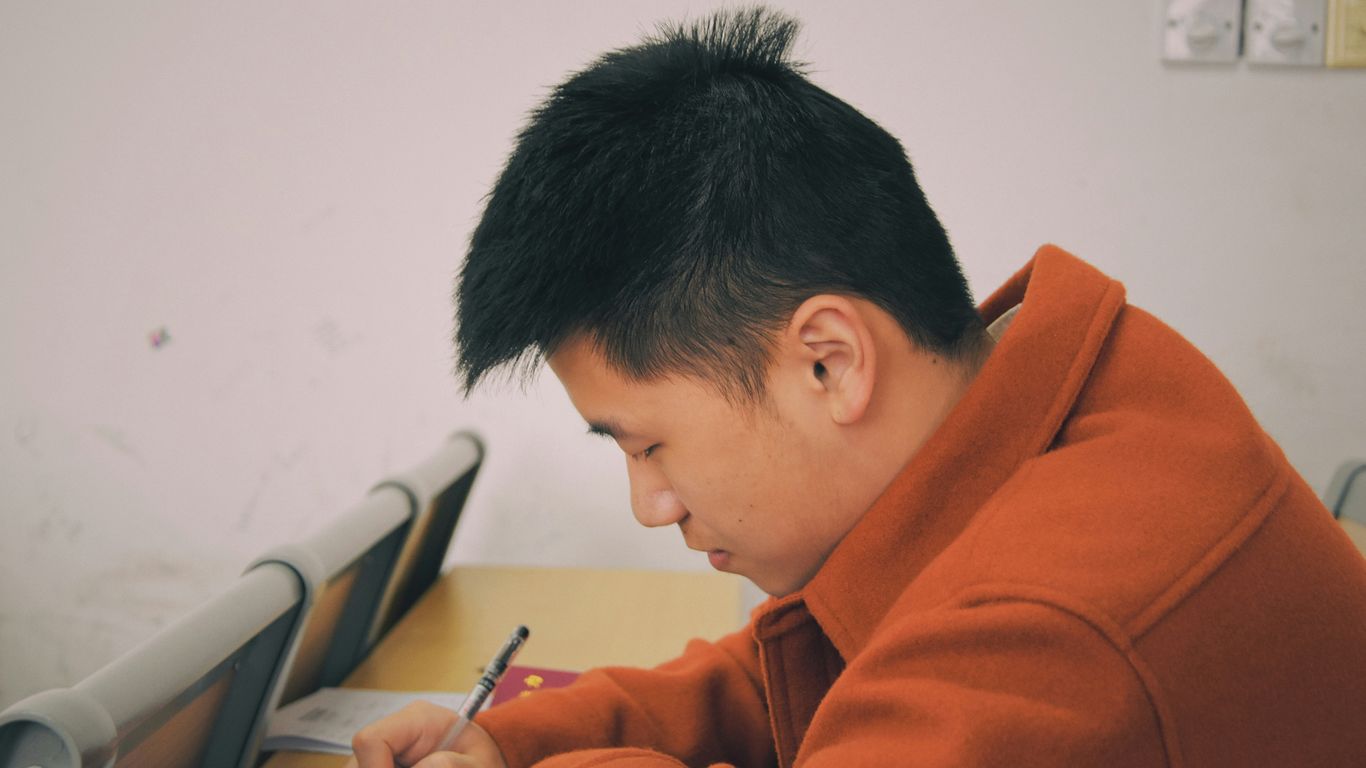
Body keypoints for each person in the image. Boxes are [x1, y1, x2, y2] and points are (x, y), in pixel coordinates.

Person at [349, 8, 1366, 767]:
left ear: (829, 361)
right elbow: (799, 664)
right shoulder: (1065, 391)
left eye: (648, 444)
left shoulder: (1048, 643)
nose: (649, 506)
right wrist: (520, 743)